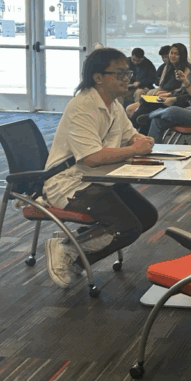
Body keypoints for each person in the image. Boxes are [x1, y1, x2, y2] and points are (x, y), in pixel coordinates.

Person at [41, 48, 160, 288]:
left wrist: (141, 141)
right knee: (127, 227)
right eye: (119, 74)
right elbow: (92, 157)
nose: (127, 78)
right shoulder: (83, 106)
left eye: (128, 72)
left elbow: (131, 136)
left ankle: (73, 251)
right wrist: (136, 149)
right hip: (70, 182)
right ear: (98, 77)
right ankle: (67, 249)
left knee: (147, 216)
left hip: (100, 178)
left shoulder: (113, 105)